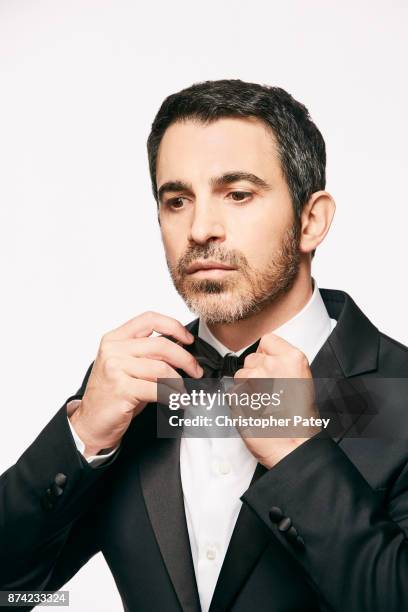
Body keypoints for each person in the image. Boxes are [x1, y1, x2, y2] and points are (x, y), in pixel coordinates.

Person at [1, 79, 407, 612]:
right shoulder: (132, 391)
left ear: (312, 221)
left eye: (238, 194)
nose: (200, 228)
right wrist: (80, 439)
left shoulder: (401, 396)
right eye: (177, 200)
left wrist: (298, 456)